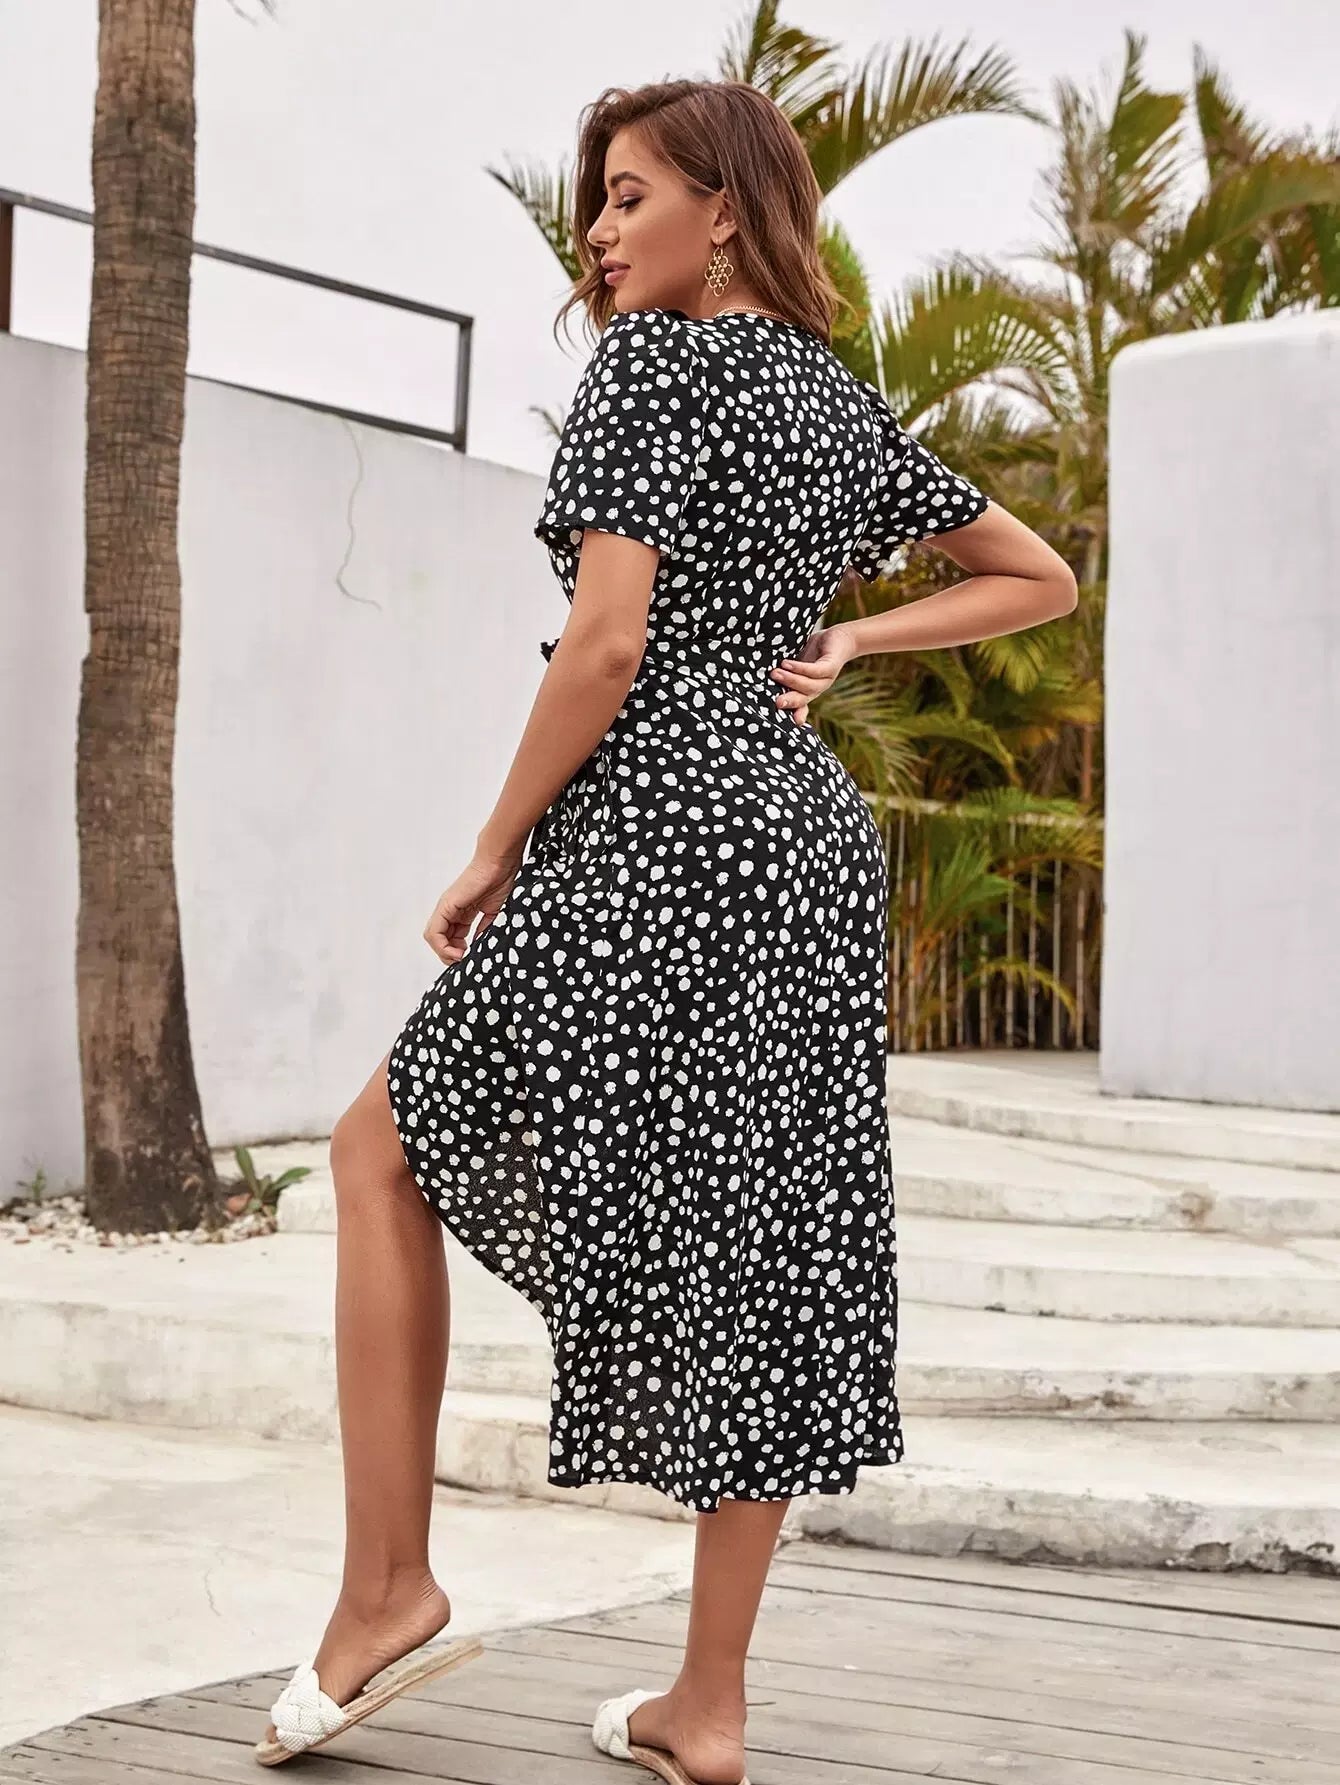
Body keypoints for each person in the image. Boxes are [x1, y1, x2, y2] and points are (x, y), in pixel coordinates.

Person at [255, 78, 1076, 1785]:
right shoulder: (833, 402)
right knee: (761, 1239)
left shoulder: (651, 369)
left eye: (631, 195)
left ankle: (389, 1585)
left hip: (658, 823)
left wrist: (495, 845)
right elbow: (1039, 574)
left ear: (728, 208)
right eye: (598, 200)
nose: (601, 230)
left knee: (379, 1147)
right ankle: (708, 1703)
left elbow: (607, 643)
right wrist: (850, 644)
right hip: (801, 842)